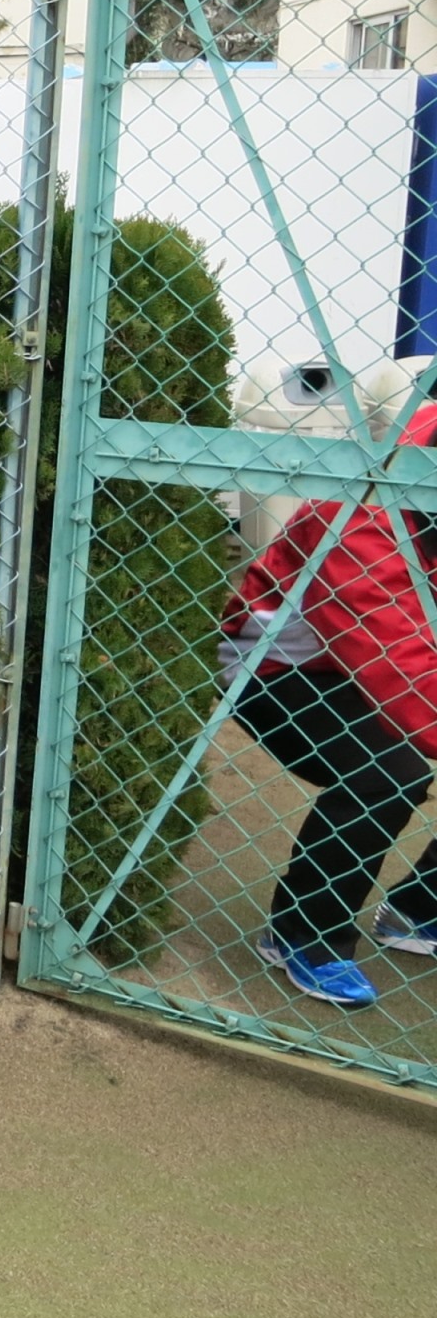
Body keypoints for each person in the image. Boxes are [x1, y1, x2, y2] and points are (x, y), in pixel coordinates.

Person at [224, 404, 437, 1008]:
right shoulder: (363, 515)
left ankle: (419, 911)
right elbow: (399, 669)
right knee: (389, 773)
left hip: (385, 654)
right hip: (278, 668)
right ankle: (303, 934)